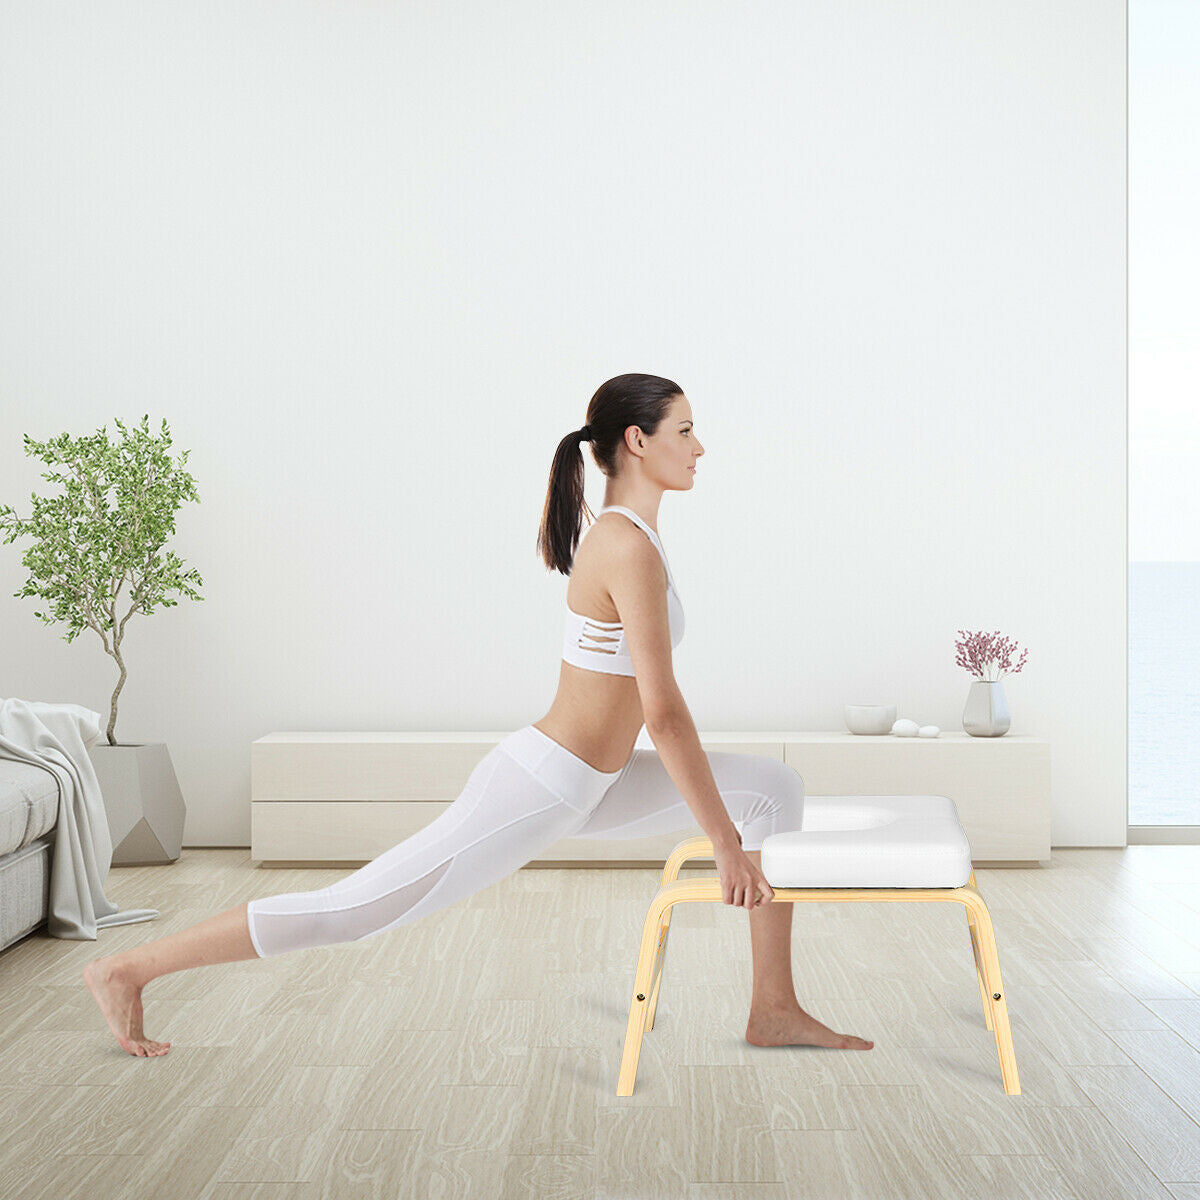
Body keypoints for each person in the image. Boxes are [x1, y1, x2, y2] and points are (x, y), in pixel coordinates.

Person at [83, 372, 873, 1057]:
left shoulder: (638, 539)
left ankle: (773, 1008)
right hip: (539, 787)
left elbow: (654, 715)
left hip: (587, 782)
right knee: (351, 912)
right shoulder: (625, 545)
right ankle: (128, 968)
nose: (701, 447)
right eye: (688, 430)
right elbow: (663, 715)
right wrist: (724, 845)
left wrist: (733, 835)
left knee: (774, 786)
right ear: (637, 441)